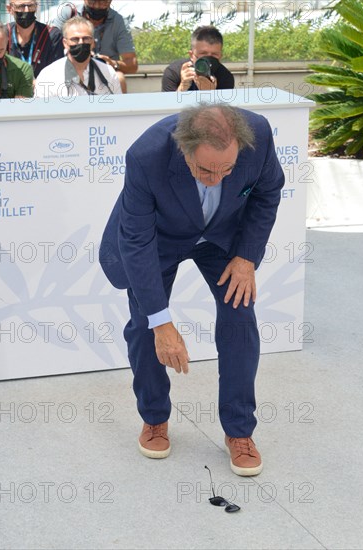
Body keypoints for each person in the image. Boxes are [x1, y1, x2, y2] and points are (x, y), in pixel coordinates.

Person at [99, 103, 285, 476]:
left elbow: (267, 193)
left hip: (221, 236)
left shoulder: (259, 135)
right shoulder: (145, 155)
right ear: (184, 149)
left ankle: (239, 431)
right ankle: (154, 418)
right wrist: (162, 322)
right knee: (144, 325)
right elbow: (135, 241)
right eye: (204, 170)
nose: (216, 180)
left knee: (239, 318)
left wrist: (246, 257)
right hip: (158, 239)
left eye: (227, 170)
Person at [50, 0, 137, 93]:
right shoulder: (69, 13)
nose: (97, 6)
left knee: (119, 78)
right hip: (71, 69)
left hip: (104, 75)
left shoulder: (119, 22)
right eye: (92, 1)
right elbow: (52, 43)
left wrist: (112, 63)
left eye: (103, 2)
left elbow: (132, 65)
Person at [34, 16, 121, 98]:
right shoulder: (48, 76)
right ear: (65, 43)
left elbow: (118, 109)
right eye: (75, 39)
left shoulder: (108, 73)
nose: (80, 43)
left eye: (86, 38)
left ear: (93, 42)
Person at [162, 26, 234, 92]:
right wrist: (182, 87)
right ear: (191, 55)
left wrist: (211, 94)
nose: (208, 60)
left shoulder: (225, 76)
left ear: (220, 56)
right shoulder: (174, 72)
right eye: (203, 54)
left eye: (214, 55)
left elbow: (222, 105)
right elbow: (168, 105)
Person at [6, 0, 64, 78]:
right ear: (10, 9)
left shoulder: (52, 36)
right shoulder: (2, 35)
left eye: (30, 6)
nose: (26, 10)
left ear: (36, 7)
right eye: (21, 6)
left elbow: (57, 76)